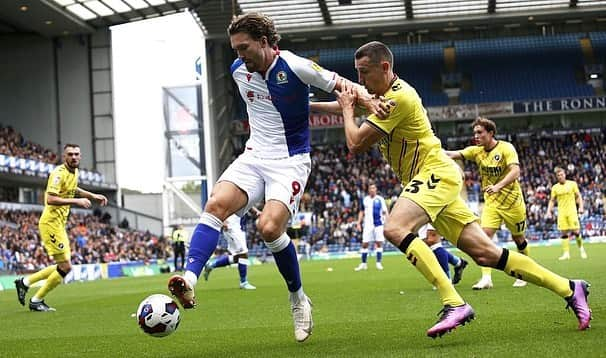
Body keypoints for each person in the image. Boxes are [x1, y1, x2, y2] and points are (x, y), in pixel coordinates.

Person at [311, 41, 592, 337]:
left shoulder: (399, 98)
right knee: (487, 254)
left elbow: (354, 143)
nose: (360, 80)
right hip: (429, 179)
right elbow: (346, 101)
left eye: (364, 72)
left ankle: (453, 302)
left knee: (394, 228)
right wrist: (303, 107)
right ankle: (571, 288)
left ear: (385, 68)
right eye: (357, 73)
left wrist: (345, 110)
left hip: (434, 172)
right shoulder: (377, 94)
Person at [166, 13, 387, 343]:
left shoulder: (295, 65)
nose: (239, 56)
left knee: (269, 228)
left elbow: (339, 82)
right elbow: (285, 106)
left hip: (290, 162)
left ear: (265, 43)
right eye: (235, 50)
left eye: (244, 48)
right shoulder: (239, 71)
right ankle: (189, 281)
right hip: (254, 156)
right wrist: (317, 108)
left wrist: (368, 100)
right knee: (215, 204)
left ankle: (298, 299)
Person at [14, 144, 108, 311]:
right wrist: (76, 202)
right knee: (65, 267)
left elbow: (73, 189)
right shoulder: (58, 173)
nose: (74, 157)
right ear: (65, 156)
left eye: (76, 154)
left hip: (59, 225)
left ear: (80, 156)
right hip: (50, 224)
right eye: (70, 154)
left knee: (64, 265)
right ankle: (36, 300)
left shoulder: (74, 172)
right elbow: (50, 198)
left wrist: (92, 195)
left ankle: (25, 282)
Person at [446, 117, 530, 289]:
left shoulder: (506, 148)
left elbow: (516, 170)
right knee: (484, 238)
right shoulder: (476, 151)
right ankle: (486, 279)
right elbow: (452, 154)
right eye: (474, 132)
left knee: (519, 239)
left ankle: (525, 273)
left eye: (479, 132)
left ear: (491, 133)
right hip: (492, 203)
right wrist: (428, 149)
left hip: (513, 202)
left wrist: (498, 186)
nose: (476, 136)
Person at [203, 214, 256, 289]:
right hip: (231, 227)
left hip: (237, 227)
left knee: (238, 257)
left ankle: (212, 265)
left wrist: (256, 212)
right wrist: (223, 221)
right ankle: (243, 282)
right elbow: (221, 205)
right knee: (243, 254)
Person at [546, 167, 588, 260]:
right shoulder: (555, 188)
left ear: (565, 175)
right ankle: (566, 254)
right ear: (556, 177)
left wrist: (581, 207)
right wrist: (549, 211)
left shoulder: (572, 184)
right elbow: (552, 201)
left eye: (562, 175)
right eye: (558, 175)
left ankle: (581, 249)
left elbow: (578, 196)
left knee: (576, 232)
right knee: (563, 233)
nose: (560, 177)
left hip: (572, 212)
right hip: (561, 213)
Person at [354, 183, 388, 271]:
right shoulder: (365, 199)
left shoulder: (380, 199)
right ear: (368, 190)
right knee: (364, 244)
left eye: (373, 188)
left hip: (379, 224)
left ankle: (378, 263)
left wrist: (388, 222)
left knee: (379, 243)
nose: (372, 190)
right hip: (368, 225)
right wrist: (358, 223)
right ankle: (363, 264)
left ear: (376, 190)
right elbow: (361, 212)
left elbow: (385, 212)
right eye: (370, 188)